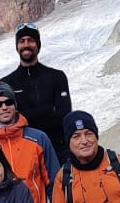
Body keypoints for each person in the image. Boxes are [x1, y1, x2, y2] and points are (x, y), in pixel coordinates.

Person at [5, 23, 72, 155]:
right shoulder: (7, 83)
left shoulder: (57, 77)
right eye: (22, 41)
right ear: (17, 46)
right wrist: (48, 110)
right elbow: (8, 122)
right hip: (23, 153)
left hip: (57, 150)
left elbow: (64, 114)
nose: (26, 45)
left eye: (31, 40)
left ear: (38, 44)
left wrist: (24, 117)